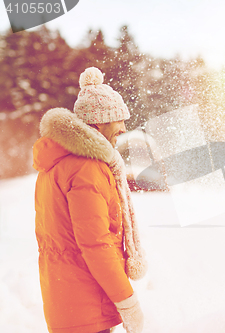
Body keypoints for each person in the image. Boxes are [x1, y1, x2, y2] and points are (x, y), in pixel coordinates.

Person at [33, 67, 147, 333]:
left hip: (66, 300)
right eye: (118, 119)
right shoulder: (86, 169)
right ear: (99, 123)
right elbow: (96, 244)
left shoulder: (56, 163)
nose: (124, 127)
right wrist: (128, 302)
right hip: (86, 307)